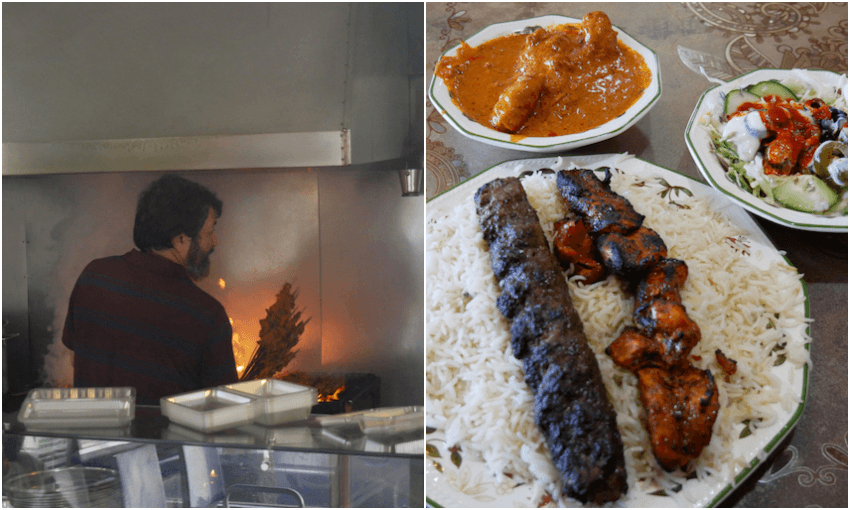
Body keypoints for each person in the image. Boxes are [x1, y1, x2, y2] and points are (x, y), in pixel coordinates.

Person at [62, 175, 238, 404]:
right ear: (181, 239)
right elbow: (223, 408)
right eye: (210, 231)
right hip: (163, 440)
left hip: (90, 438)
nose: (214, 241)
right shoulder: (207, 316)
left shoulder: (93, 276)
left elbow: (76, 359)